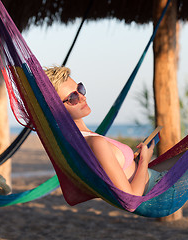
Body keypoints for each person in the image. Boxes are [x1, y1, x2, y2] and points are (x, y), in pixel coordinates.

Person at [44, 66, 168, 196]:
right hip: (161, 191)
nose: (83, 97)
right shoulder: (94, 142)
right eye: (73, 97)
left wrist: (135, 160)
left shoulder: (81, 138)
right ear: (56, 109)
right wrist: (144, 160)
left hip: (156, 178)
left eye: (80, 89)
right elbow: (131, 199)